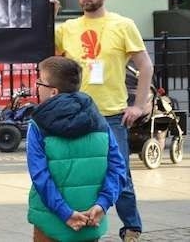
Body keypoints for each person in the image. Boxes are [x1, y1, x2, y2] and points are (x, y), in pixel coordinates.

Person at [51, 0, 154, 242]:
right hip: (76, 114)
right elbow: (45, 53)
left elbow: (145, 66)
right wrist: (50, 16)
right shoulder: (68, 27)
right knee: (77, 173)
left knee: (119, 174)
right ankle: (82, 220)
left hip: (111, 115)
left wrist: (139, 105)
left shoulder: (123, 25)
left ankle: (131, 227)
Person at [27, 56, 126, 242]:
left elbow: (39, 175)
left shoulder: (38, 124)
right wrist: (103, 204)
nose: (37, 86)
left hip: (51, 221)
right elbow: (118, 167)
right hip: (91, 218)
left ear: (53, 92)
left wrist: (65, 213)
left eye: (39, 82)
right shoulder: (99, 121)